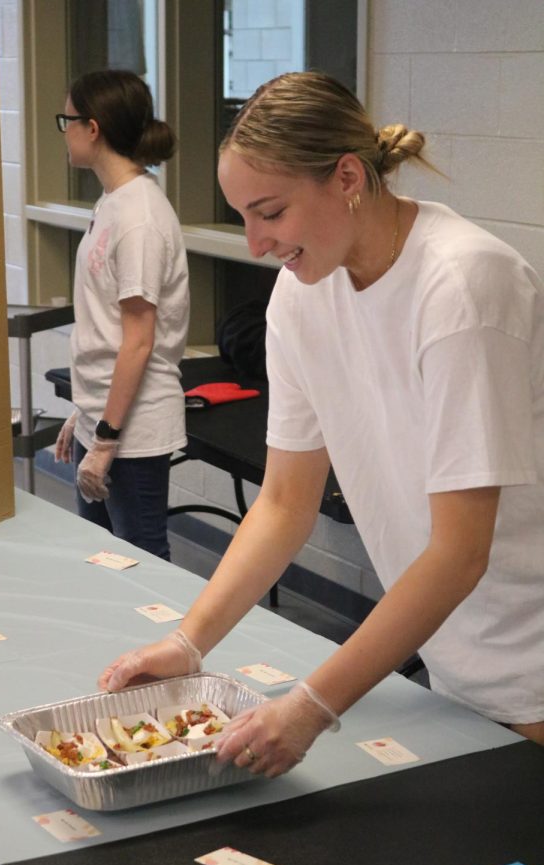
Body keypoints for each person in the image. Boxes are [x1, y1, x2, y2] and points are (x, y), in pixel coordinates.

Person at [98, 71, 544, 773]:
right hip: (454, 657)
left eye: (270, 212)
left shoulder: (462, 285)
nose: (254, 243)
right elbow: (282, 502)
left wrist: (312, 706)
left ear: (345, 178)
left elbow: (462, 551)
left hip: (530, 661)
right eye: (242, 216)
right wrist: (188, 644)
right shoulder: (302, 299)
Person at [54, 70, 189, 560]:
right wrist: (84, 412)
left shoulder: (141, 219)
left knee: (143, 559)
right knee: (102, 556)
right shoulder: (113, 200)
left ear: (92, 128)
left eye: (65, 120)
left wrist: (107, 438)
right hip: (105, 417)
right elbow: (107, 324)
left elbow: (138, 341)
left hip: (133, 429)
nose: (62, 131)